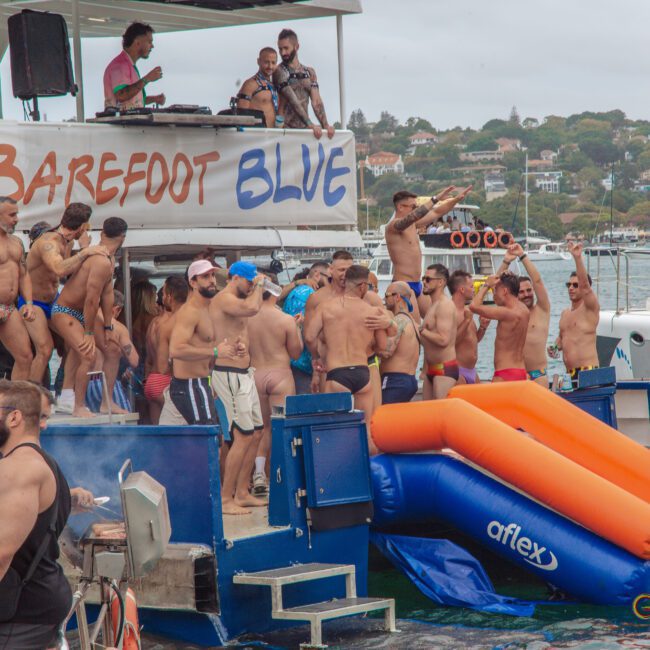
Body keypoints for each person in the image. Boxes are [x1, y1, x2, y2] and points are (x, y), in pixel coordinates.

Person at [0, 380, 71, 648]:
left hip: (21, 614)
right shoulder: (40, 462)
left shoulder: (22, 468)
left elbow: (2, 553)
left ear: (14, 417)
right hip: (35, 607)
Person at [50, 217, 128, 418]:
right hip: (65, 311)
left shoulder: (109, 259)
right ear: (123, 238)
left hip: (82, 314)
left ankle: (106, 401)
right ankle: (78, 406)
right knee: (88, 353)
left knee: (113, 349)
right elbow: (91, 300)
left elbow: (108, 294)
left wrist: (109, 327)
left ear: (102, 234)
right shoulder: (100, 260)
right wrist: (89, 332)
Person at [304, 265, 388, 450]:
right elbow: (382, 346)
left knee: (332, 430)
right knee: (365, 428)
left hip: (337, 374)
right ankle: (369, 475)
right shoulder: (372, 311)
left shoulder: (327, 307)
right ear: (363, 286)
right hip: (362, 373)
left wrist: (316, 357)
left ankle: (335, 476)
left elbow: (309, 336)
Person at [24, 203, 107, 387]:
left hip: (52, 300)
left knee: (75, 342)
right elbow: (59, 268)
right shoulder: (49, 242)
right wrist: (86, 251)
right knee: (45, 350)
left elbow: (69, 272)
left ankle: (66, 392)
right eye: (87, 226)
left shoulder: (67, 241)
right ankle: (32, 397)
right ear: (82, 226)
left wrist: (83, 251)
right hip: (32, 301)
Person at [210, 261, 267, 516]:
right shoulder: (224, 298)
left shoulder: (237, 301)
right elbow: (253, 308)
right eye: (250, 281)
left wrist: (243, 346)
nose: (252, 286)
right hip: (228, 374)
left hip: (244, 373)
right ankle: (225, 498)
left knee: (256, 433)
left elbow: (240, 326)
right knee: (241, 436)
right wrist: (262, 285)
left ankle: (242, 492)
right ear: (235, 278)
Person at [248, 275, 302, 495]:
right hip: (279, 374)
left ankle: (258, 473)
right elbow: (296, 353)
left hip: (254, 374)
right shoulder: (285, 319)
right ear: (276, 293)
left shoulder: (247, 318)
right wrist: (297, 327)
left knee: (259, 429)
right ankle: (282, 475)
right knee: (281, 428)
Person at [385, 187, 471, 318]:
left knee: (435, 319)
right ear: (400, 207)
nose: (416, 209)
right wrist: (435, 199)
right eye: (413, 206)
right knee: (415, 326)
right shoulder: (393, 226)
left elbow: (437, 212)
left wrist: (455, 200)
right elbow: (414, 216)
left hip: (417, 284)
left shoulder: (413, 225)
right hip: (403, 284)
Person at [497, 243, 551, 387]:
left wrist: (522, 255)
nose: (526, 294)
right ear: (514, 294)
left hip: (538, 374)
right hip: (515, 375)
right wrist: (506, 261)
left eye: (529, 290)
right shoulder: (509, 312)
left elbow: (538, 281)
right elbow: (495, 286)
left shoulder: (542, 309)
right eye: (521, 292)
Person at [273, 28, 334, 139]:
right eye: (280, 49)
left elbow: (316, 101)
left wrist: (326, 125)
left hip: (305, 132)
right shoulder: (279, 71)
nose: (283, 53)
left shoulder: (309, 72)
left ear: (296, 47)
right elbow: (293, 100)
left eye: (286, 48)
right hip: (286, 131)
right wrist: (310, 124)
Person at [553, 241, 600, 381]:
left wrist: (577, 258)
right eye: (569, 285)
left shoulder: (589, 309)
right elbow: (562, 338)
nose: (571, 288)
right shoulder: (565, 313)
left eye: (575, 285)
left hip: (588, 371)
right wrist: (555, 347)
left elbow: (585, 286)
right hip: (569, 374)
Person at [0, 197, 36, 381]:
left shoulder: (16, 242)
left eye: (17, 214)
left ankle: (12, 406)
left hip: (8, 307)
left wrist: (28, 302)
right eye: (12, 215)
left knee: (25, 357)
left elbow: (24, 274)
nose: (16, 219)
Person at [470, 272, 530, 382]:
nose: (493, 295)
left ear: (504, 291)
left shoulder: (506, 313)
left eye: (495, 290)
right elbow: (500, 300)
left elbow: (473, 306)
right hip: (521, 372)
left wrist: (486, 285)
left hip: (504, 373)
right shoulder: (524, 310)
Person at [145, 276, 188, 424]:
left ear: (169, 296)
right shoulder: (181, 322)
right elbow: (165, 366)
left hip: (152, 380)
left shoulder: (156, 323)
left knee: (158, 433)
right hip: (167, 382)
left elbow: (149, 360)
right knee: (181, 430)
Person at [281, 261, 330, 394]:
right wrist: (316, 366)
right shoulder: (309, 294)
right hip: (302, 363)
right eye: (329, 279)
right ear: (318, 275)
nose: (331, 284)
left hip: (292, 361)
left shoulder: (296, 291)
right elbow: (308, 333)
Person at [87, 290, 139, 414]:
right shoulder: (117, 327)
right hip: (105, 383)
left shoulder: (87, 321)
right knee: (125, 420)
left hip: (84, 385)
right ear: (116, 309)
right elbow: (134, 360)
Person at [103, 21, 165, 110]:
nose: (152, 46)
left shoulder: (129, 65)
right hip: (121, 123)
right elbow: (121, 95)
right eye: (149, 42)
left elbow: (132, 101)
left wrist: (154, 99)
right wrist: (147, 78)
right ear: (137, 43)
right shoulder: (120, 65)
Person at [419, 264, 459, 399]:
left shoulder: (444, 305)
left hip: (444, 369)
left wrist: (422, 331)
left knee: (441, 415)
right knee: (429, 416)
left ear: (441, 282)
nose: (424, 282)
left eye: (428, 279)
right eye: (423, 278)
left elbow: (443, 340)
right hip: (431, 369)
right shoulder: (432, 305)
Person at [379, 282, 420, 404]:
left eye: (387, 295)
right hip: (410, 380)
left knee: (385, 419)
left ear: (397, 297)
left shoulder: (398, 321)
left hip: (394, 381)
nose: (384, 299)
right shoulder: (413, 322)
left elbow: (386, 352)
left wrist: (369, 349)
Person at [448, 270, 488, 385]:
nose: (474, 289)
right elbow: (450, 343)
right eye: (471, 286)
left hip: (472, 371)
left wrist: (483, 328)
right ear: (462, 289)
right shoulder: (450, 312)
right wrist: (466, 321)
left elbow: (473, 340)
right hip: (457, 371)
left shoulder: (467, 311)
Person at [236, 47, 278, 127]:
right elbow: (241, 114)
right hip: (257, 134)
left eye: (273, 63)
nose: (270, 66)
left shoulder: (274, 85)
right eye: (266, 62)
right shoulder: (251, 84)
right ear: (258, 61)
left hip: (273, 134)